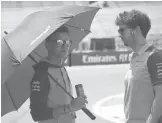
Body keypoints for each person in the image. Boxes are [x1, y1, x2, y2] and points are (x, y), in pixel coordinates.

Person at [29, 26, 88, 123]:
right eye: (59, 42)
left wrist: (76, 103)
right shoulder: (41, 74)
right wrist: (70, 107)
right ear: (47, 45)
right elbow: (37, 114)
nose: (65, 46)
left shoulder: (61, 68)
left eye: (68, 42)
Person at [115, 10, 162, 123]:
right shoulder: (134, 57)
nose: (119, 34)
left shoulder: (154, 56)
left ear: (134, 31)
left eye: (122, 30)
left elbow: (161, 95)